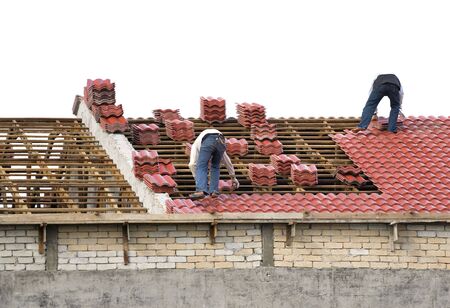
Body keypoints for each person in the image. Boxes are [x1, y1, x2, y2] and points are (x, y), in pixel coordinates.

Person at [188, 128, 240, 199]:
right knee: (215, 166)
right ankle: (214, 191)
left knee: (201, 166)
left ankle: (201, 190)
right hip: (221, 140)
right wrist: (233, 178)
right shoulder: (204, 142)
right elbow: (227, 162)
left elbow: (192, 164)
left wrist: (197, 179)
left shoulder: (195, 145)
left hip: (208, 139)